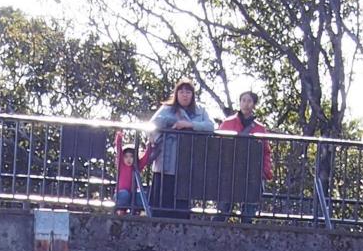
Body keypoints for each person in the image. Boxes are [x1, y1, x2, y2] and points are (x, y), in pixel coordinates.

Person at [146, 79, 215, 220]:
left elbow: (210, 127)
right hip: (166, 163)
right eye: (181, 91)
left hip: (187, 165)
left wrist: (189, 124)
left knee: (182, 209)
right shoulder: (167, 109)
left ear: (192, 95)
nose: (185, 95)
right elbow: (152, 126)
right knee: (160, 206)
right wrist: (164, 128)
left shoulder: (200, 111)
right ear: (176, 93)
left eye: (188, 92)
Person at [217, 90, 274, 223]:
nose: (246, 104)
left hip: (251, 172)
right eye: (243, 100)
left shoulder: (260, 128)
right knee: (224, 206)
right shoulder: (228, 123)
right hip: (230, 170)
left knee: (249, 208)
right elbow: (218, 145)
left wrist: (265, 171)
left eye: (249, 101)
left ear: (254, 104)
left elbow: (266, 151)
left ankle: (246, 229)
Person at [114, 131, 147, 215]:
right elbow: (118, 150)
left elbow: (145, 158)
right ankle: (121, 212)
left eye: (131, 156)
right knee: (125, 194)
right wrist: (119, 137)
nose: (129, 159)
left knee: (140, 195)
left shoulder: (137, 166)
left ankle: (136, 213)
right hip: (121, 194)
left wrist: (150, 145)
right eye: (126, 157)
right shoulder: (121, 165)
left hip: (132, 194)